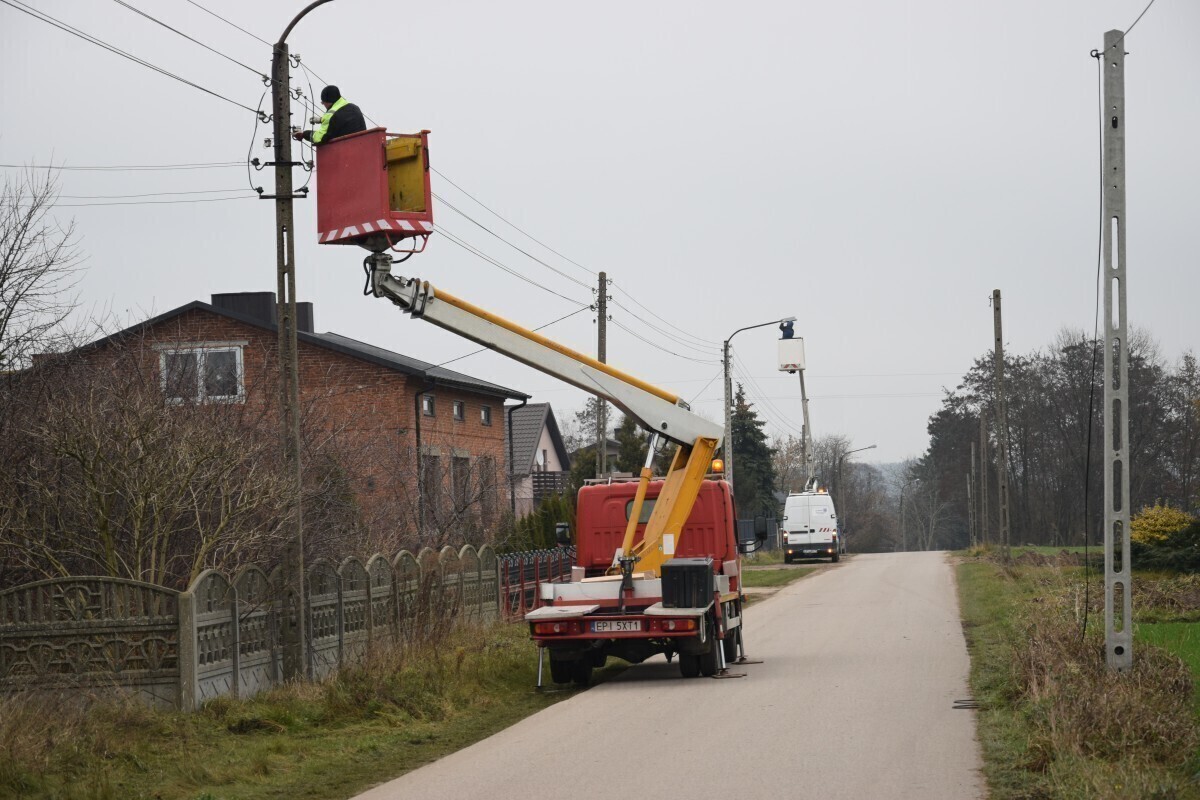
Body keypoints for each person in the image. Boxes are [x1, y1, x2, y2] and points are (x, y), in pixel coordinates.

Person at [292, 85, 366, 145]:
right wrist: (321, 120)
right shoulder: (354, 107)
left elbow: (321, 137)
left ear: (328, 101)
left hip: (342, 150)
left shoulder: (331, 115)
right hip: (361, 147)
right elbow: (341, 120)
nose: (323, 104)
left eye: (323, 102)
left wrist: (304, 134)